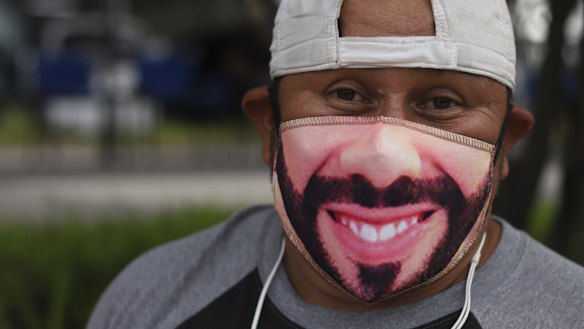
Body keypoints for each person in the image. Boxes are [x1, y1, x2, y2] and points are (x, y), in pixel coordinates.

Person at [87, 0, 584, 328]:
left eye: (440, 103)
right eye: (345, 94)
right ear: (269, 128)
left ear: (504, 147)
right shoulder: (151, 302)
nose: (384, 162)